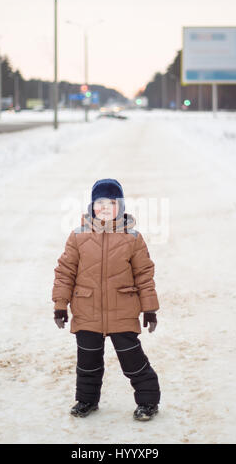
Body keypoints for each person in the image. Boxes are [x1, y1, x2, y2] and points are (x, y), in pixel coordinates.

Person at [52, 178, 161, 421]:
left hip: (122, 309)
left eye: (110, 204)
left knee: (133, 362)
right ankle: (87, 400)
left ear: (120, 207)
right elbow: (65, 272)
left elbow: (144, 274)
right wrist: (60, 305)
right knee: (87, 363)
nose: (104, 209)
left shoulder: (132, 237)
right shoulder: (78, 236)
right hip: (87, 309)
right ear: (92, 207)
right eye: (99, 204)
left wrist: (150, 309)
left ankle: (148, 402)